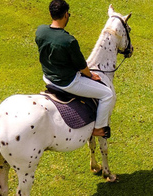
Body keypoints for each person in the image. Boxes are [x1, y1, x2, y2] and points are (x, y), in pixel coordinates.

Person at [35, 0, 114, 137]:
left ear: (50, 14)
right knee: (107, 94)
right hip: (67, 82)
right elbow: (82, 67)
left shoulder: (40, 31)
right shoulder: (68, 41)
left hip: (48, 77)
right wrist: (91, 76)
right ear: (66, 15)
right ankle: (98, 128)